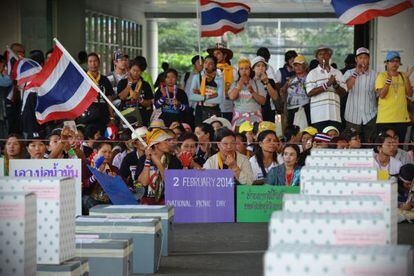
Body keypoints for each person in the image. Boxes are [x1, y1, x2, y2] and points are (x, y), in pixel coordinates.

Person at [306, 45, 347, 132]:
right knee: (320, 142)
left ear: (330, 56)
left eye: (326, 54)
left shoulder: (337, 73)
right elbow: (309, 92)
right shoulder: (312, 73)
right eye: (320, 54)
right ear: (317, 58)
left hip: (334, 115)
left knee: (333, 142)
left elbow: (344, 93)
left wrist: (335, 84)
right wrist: (327, 84)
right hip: (318, 116)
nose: (323, 56)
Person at [137, 128, 183, 204]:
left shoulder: (173, 160)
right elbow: (143, 183)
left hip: (167, 200)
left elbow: (171, 183)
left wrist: (158, 163)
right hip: (146, 202)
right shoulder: (143, 159)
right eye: (166, 141)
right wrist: (148, 160)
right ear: (156, 144)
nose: (169, 144)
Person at [375, 51, 413, 143]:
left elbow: (410, 94)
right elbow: (382, 95)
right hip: (385, 119)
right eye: (392, 61)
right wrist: (389, 80)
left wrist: (407, 78)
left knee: (399, 147)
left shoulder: (403, 75)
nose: (395, 63)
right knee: (385, 146)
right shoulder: (382, 76)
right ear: (386, 63)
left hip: (401, 119)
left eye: (397, 61)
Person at [343, 47, 377, 143]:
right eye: (360, 57)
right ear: (356, 59)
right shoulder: (348, 73)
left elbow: (379, 93)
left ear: (369, 59)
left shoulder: (375, 75)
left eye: (365, 57)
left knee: (370, 145)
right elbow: (346, 88)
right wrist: (356, 73)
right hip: (352, 115)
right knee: (352, 145)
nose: (363, 60)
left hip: (370, 115)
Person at [79, 53, 114, 134]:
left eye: (95, 61)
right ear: (87, 64)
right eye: (90, 61)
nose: (93, 64)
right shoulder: (83, 79)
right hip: (88, 116)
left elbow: (109, 98)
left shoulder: (105, 80)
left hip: (103, 115)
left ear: (99, 63)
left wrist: (112, 116)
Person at [228, 58, 266, 128]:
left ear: (250, 70)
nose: (244, 71)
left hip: (255, 119)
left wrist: (252, 91)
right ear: (238, 71)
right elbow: (232, 97)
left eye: (246, 68)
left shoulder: (257, 83)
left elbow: (263, 102)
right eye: (241, 69)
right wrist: (239, 85)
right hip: (239, 120)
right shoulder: (235, 83)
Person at [84, 140, 121, 210]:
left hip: (108, 201)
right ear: (95, 152)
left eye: (110, 152)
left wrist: (116, 180)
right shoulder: (87, 165)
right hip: (91, 201)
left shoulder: (114, 169)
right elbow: (84, 185)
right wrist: (96, 175)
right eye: (104, 152)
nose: (107, 155)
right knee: (86, 199)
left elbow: (123, 187)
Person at [117, 59, 154, 126]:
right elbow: (122, 97)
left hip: (141, 118)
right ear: (129, 70)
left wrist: (140, 99)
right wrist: (129, 84)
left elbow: (149, 103)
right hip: (125, 118)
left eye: (138, 71)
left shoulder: (145, 85)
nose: (136, 73)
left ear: (142, 72)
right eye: (134, 70)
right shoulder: (122, 83)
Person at [189, 55, 224, 125]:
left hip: (214, 110)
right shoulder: (197, 77)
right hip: (200, 110)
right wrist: (208, 97)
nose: (207, 65)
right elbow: (191, 96)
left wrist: (200, 96)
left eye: (210, 64)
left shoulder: (219, 79)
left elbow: (219, 99)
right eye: (205, 62)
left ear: (214, 66)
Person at [207, 43, 236, 122]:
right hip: (212, 105)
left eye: (218, 53)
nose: (215, 56)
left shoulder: (233, 70)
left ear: (225, 55)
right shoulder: (208, 71)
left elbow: (235, 87)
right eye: (214, 54)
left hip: (227, 105)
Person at [280, 55, 310, 127]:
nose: (298, 67)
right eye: (296, 65)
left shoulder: (310, 77)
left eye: (300, 65)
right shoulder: (291, 79)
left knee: (304, 129)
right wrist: (285, 106)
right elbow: (282, 91)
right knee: (292, 131)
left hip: (305, 107)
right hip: (291, 109)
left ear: (305, 66)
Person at [251, 56, 279, 123]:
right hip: (254, 112)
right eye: (258, 66)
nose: (261, 68)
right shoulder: (250, 82)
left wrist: (266, 82)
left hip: (268, 112)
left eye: (263, 66)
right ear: (253, 68)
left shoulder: (271, 81)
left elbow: (275, 97)